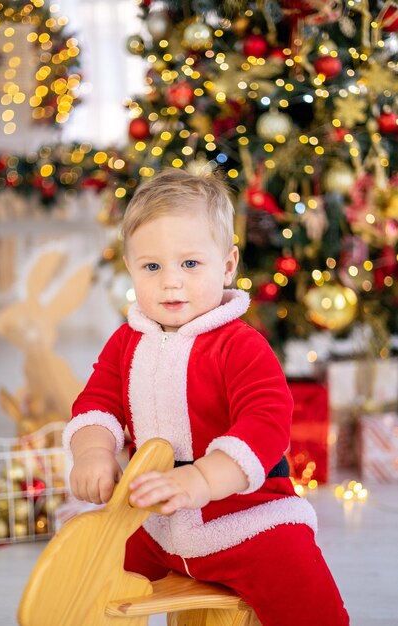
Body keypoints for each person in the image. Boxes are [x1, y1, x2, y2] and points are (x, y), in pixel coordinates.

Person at [63, 168, 349, 626]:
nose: (170, 282)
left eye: (190, 264)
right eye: (151, 267)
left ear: (228, 265)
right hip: (151, 520)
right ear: (130, 268)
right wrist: (93, 452)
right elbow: (97, 403)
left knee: (302, 587)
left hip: (244, 516)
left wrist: (200, 480)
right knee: (89, 576)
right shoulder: (127, 342)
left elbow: (266, 423)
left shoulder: (239, 345)